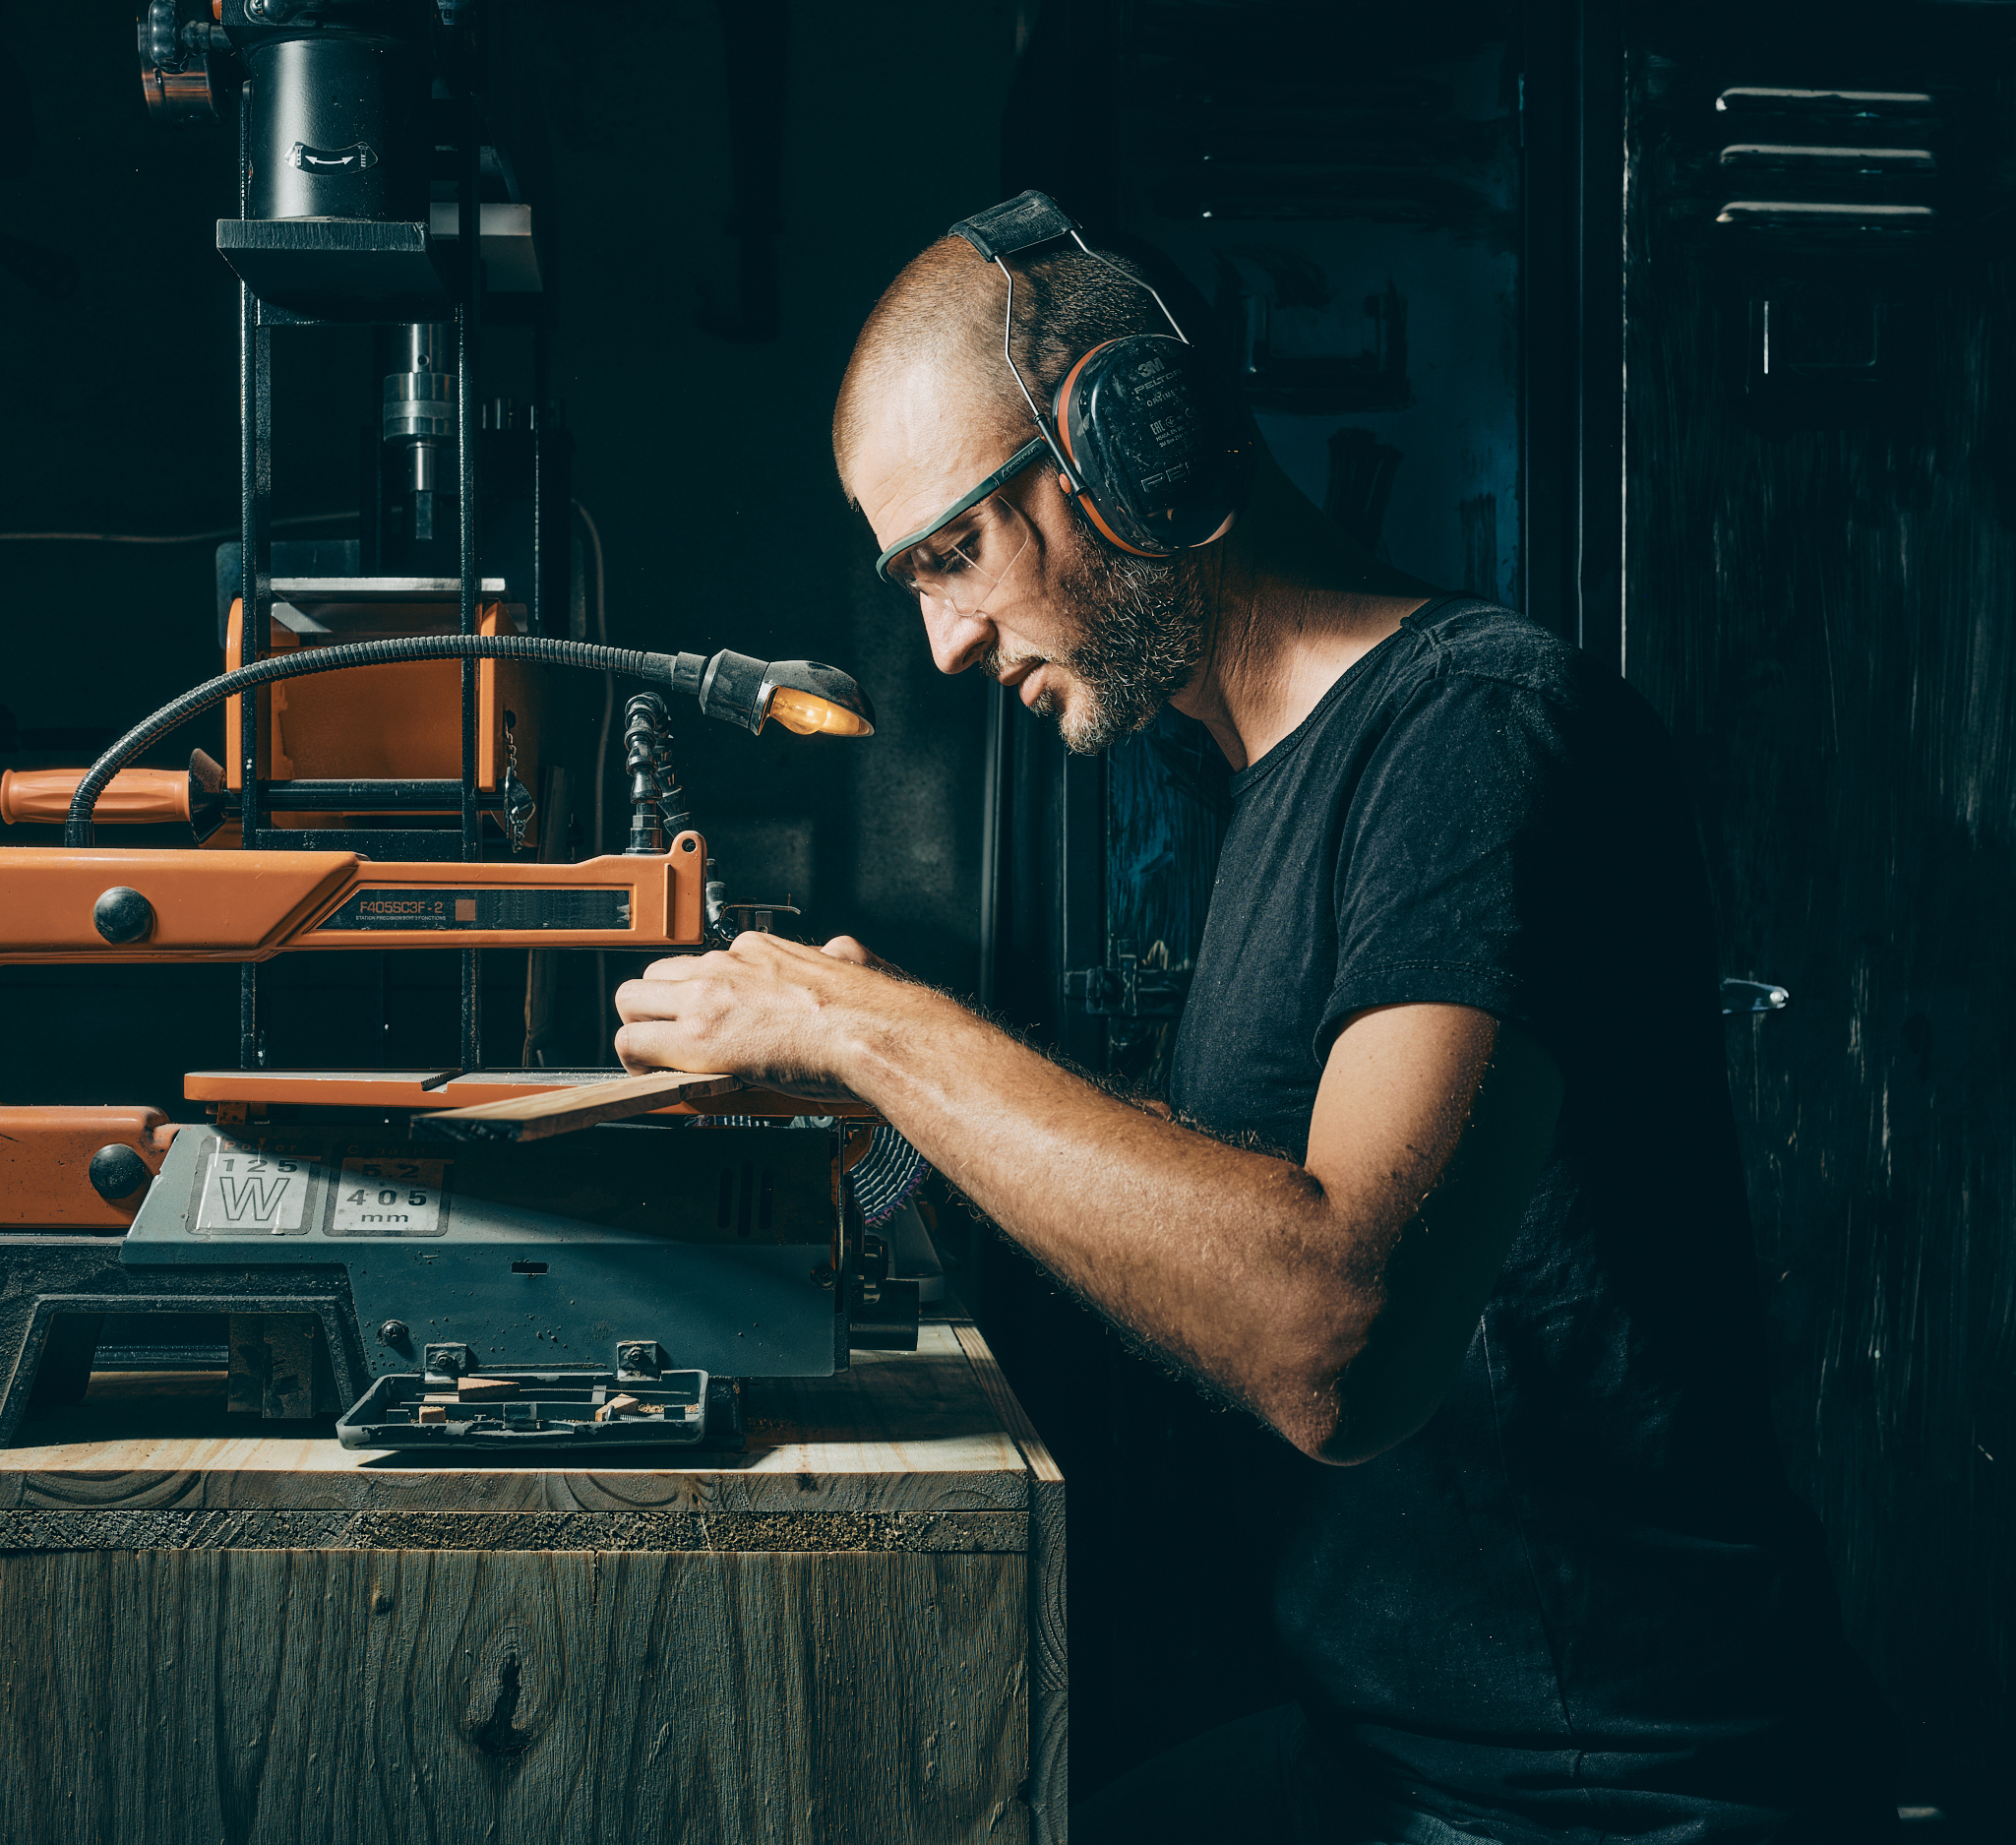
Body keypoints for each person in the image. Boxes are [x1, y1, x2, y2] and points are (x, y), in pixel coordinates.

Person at [612, 197, 1892, 1842]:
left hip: (1608, 1796)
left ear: (1131, 443)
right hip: (1380, 1745)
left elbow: (1335, 1336)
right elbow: (1194, 1228)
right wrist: (890, 1133)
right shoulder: (1260, 788)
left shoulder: (1481, 739)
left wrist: (878, 1032)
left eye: (956, 552)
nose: (941, 640)